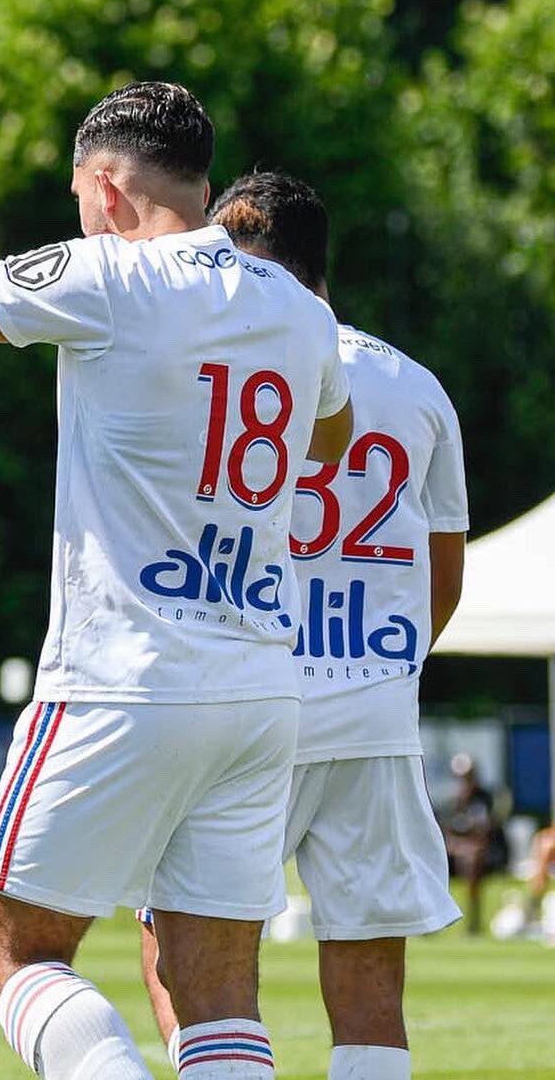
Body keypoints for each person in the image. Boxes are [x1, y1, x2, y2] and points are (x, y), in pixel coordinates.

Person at [0, 81, 352, 1079]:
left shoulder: (113, 276)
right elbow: (331, 430)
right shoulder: (296, 306)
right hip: (260, 689)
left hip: (123, 677)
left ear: (105, 189)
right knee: (216, 994)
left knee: (6, 954)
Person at [137, 172, 468, 1080]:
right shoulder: (419, 387)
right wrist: (379, 666)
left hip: (248, 697)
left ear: (242, 248)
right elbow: (442, 579)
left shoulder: (224, 362)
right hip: (375, 715)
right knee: (369, 982)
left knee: (181, 944)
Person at [439, 753, 509, 936]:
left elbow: (486, 834)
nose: (465, 781)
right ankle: (431, 922)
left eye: (468, 776)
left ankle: (473, 923)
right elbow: (443, 835)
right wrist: (457, 848)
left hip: (485, 854)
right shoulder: (451, 801)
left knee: (472, 859)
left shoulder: (486, 799)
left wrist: (467, 848)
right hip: (455, 852)